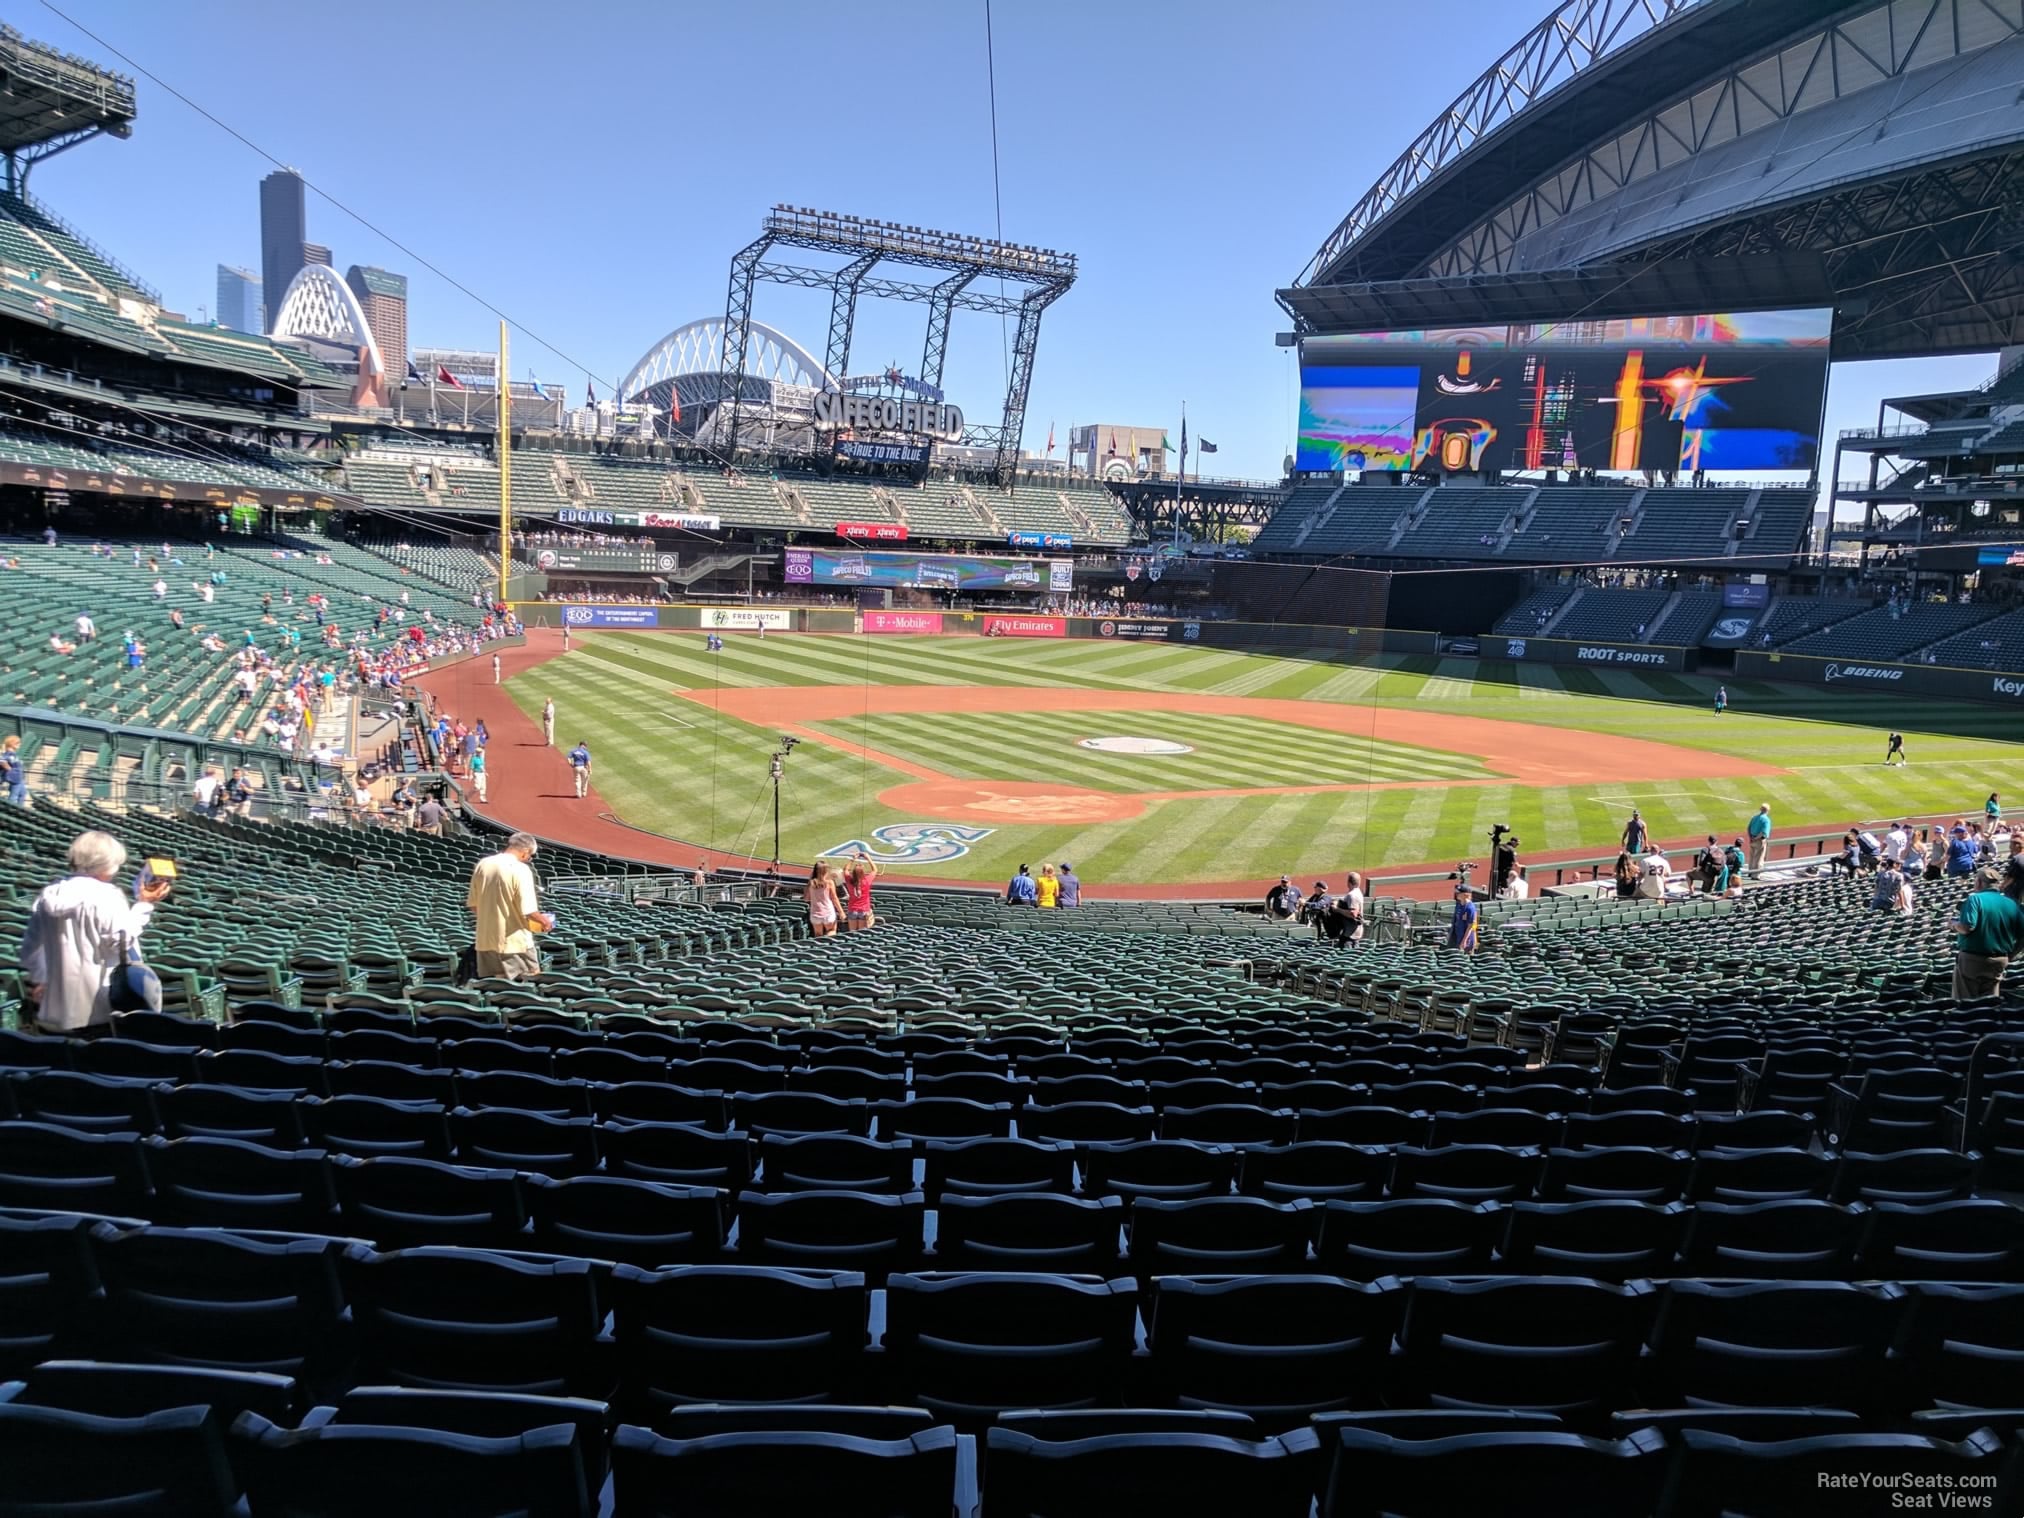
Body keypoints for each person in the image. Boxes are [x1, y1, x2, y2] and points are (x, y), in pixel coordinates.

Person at [19, 830, 172, 1034]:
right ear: (106, 865)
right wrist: (144, 904)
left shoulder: (49, 894)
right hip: (99, 1002)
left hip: (54, 1002)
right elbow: (121, 941)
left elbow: (30, 950)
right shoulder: (107, 896)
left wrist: (42, 979)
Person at [467, 831, 552, 981]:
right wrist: (545, 921)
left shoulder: (483, 864)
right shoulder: (520, 869)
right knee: (529, 984)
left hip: (486, 940)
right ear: (525, 852)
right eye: (530, 855)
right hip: (515, 942)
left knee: (498, 988)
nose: (528, 859)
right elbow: (529, 910)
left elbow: (474, 905)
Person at [1951, 858, 2024, 1000]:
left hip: (1972, 960)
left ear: (1978, 882)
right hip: (1999, 961)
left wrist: (1953, 924)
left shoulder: (1975, 899)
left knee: (1965, 1006)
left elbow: (1967, 927)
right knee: (1989, 1006)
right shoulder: (2012, 903)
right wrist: (2011, 955)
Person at [805, 859, 841, 937]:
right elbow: (834, 898)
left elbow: (806, 898)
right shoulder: (829, 882)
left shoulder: (811, 883)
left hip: (815, 914)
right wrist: (841, 912)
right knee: (831, 931)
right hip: (828, 913)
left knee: (818, 935)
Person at [842, 853, 877, 930]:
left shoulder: (849, 880)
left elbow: (845, 870)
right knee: (861, 933)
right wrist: (868, 858)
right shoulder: (867, 880)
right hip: (864, 910)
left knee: (852, 932)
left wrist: (853, 859)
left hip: (852, 909)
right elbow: (875, 870)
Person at [1448, 887, 1479, 953]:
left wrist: (1464, 941)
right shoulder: (1458, 905)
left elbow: (1470, 926)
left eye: (1459, 893)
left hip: (1466, 939)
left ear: (1466, 895)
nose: (1457, 894)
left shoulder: (1470, 908)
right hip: (1456, 937)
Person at [1746, 804, 1772, 878]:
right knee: (1759, 858)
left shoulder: (1754, 817)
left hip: (1752, 839)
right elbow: (1763, 833)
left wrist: (1751, 837)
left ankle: (1750, 872)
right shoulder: (1766, 820)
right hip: (1759, 841)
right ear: (1767, 810)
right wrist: (1756, 838)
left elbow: (1748, 828)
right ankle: (1755, 875)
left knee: (1752, 857)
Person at [0, 734, 26, 807]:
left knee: (22, 793)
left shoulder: (13, 754)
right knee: (14, 796)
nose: (20, 745)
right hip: (15, 778)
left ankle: (20, 809)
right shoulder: (9, 754)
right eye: (17, 743)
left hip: (19, 778)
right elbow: (2, 761)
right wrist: (11, 771)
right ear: (12, 744)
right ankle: (12, 810)